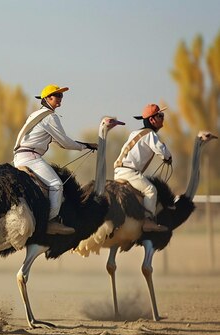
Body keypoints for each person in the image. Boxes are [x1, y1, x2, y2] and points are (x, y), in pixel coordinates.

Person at [13, 84, 97, 235]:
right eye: (57, 95)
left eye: (61, 96)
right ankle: (49, 222)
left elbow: (59, 141)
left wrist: (82, 145)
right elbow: (65, 143)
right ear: (47, 98)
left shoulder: (36, 115)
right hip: (30, 157)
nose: (60, 99)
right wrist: (85, 145)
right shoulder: (50, 117)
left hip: (19, 157)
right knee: (56, 185)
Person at [113, 104, 171, 232]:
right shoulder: (151, 134)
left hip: (118, 172)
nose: (163, 118)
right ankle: (148, 221)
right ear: (152, 120)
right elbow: (161, 150)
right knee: (151, 190)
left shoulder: (135, 133)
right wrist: (167, 157)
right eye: (160, 115)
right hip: (129, 172)